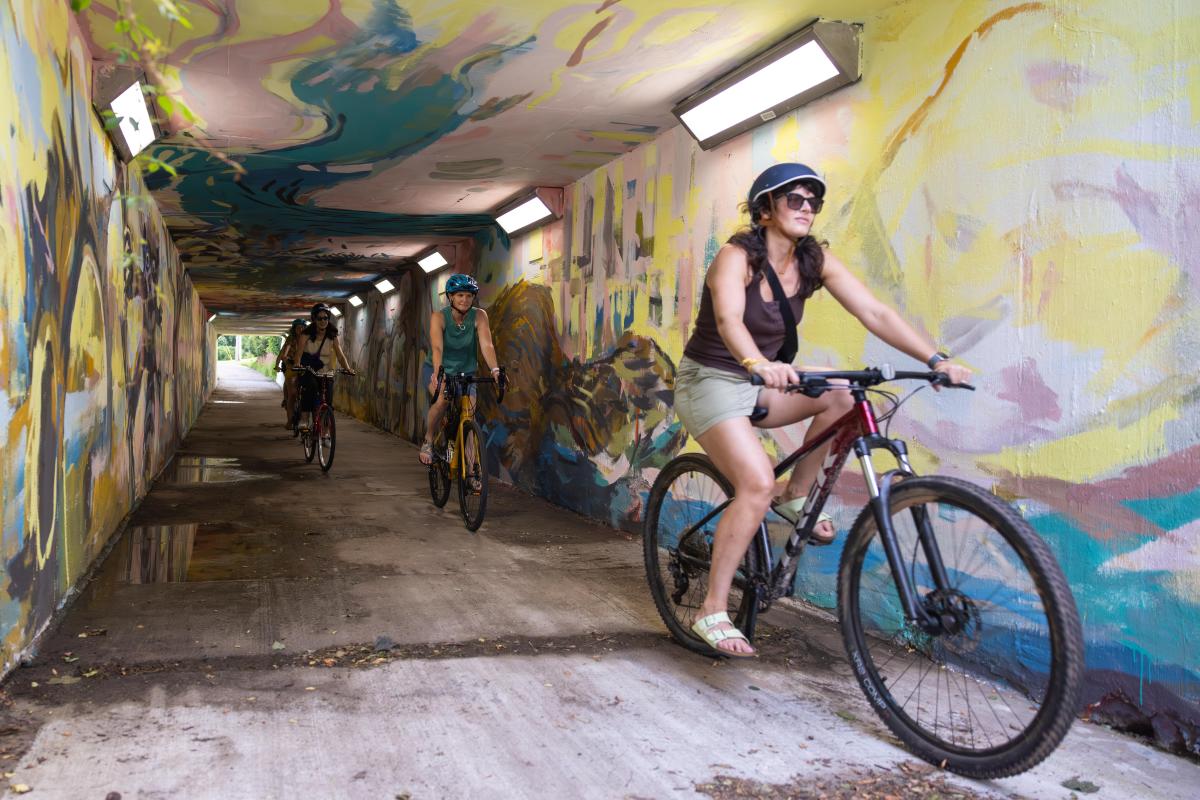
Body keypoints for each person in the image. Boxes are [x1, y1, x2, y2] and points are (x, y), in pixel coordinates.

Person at [673, 163, 972, 657]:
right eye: (796, 199)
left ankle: (798, 496)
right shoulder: (735, 256)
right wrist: (756, 361)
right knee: (754, 483)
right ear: (765, 208)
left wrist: (935, 359)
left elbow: (874, 311)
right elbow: (727, 318)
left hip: (763, 381)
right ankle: (712, 608)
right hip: (713, 381)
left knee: (840, 392)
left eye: (814, 200)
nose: (807, 208)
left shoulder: (814, 260)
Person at [419, 274, 501, 465]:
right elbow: (437, 348)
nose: (465, 300)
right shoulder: (439, 317)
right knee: (442, 401)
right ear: (451, 297)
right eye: (460, 295)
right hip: (437, 369)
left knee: (468, 416)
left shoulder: (479, 316)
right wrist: (440, 374)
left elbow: (487, 345)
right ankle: (429, 440)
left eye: (469, 296)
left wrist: (495, 370)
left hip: (466, 373)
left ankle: (472, 470)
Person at [297, 303, 355, 431]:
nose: (323, 321)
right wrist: (297, 365)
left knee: (327, 400)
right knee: (310, 387)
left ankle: (325, 431)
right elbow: (299, 353)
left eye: (325, 318)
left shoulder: (332, 336)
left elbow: (340, 355)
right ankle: (305, 418)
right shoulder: (305, 335)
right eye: (319, 318)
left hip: (326, 371)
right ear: (314, 319)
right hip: (309, 369)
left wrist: (347, 368)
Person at [276, 317, 308, 430]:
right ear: (294, 329)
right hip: (291, 366)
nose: (300, 330)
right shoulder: (291, 339)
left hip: (304, 367)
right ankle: (290, 420)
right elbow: (284, 352)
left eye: (302, 327)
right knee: (293, 394)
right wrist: (283, 359)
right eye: (298, 328)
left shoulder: (308, 339)